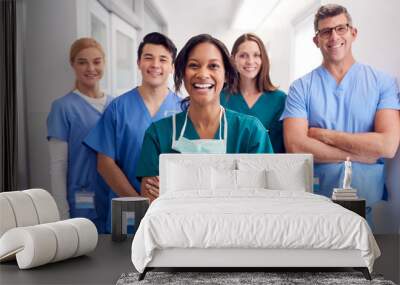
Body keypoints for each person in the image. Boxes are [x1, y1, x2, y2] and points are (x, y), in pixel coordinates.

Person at [281, 4, 400, 223]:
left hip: (366, 210)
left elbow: (387, 145)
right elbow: (296, 145)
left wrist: (325, 135)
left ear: (353, 33)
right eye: (326, 31)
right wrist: (361, 154)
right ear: (317, 40)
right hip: (315, 209)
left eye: (341, 28)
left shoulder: (382, 82)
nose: (334, 36)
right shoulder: (301, 87)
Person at [136, 34, 274, 202]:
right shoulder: (158, 134)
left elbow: (261, 198)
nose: (202, 74)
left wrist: (175, 194)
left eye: (213, 66)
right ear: (182, 73)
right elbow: (151, 201)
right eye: (194, 65)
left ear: (227, 76)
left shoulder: (250, 131)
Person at [84, 32, 181, 232]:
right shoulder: (118, 108)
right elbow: (105, 163)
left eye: (163, 59)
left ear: (172, 66)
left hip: (172, 210)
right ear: (138, 62)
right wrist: (138, 202)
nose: (155, 64)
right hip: (127, 209)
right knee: (122, 260)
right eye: (148, 57)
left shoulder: (184, 110)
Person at [47, 38, 113, 233]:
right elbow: (57, 166)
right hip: (82, 198)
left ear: (104, 63)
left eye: (97, 61)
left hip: (114, 197)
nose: (90, 68)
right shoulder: (63, 108)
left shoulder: (116, 105)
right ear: (73, 64)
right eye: (82, 62)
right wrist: (62, 214)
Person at [220, 33, 286, 153]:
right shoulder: (220, 98)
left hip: (269, 169)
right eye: (243, 56)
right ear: (233, 59)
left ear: (263, 59)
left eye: (256, 55)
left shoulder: (280, 100)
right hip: (230, 169)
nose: (250, 61)